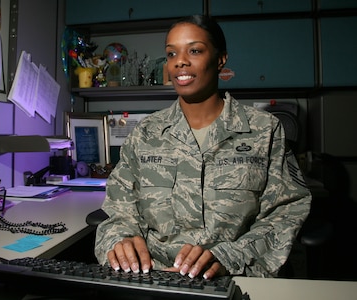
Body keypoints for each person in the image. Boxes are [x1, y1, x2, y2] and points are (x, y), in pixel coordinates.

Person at [94, 14, 311, 279]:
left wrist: (229, 258)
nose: (180, 61)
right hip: (154, 279)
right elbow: (119, 210)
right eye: (172, 54)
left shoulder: (264, 130)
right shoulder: (145, 134)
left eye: (194, 50)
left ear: (220, 60)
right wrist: (119, 240)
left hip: (233, 278)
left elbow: (286, 212)